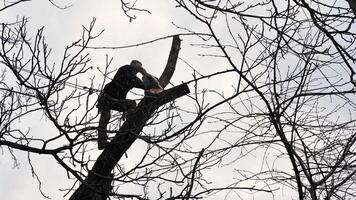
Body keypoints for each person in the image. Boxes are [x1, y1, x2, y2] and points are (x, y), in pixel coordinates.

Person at [96, 60, 162, 149]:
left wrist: (147, 77)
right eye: (139, 66)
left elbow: (147, 86)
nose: (139, 69)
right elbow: (137, 81)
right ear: (133, 65)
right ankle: (102, 141)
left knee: (131, 104)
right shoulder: (125, 69)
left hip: (117, 101)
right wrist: (144, 74)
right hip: (106, 98)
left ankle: (129, 124)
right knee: (105, 117)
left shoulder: (134, 78)